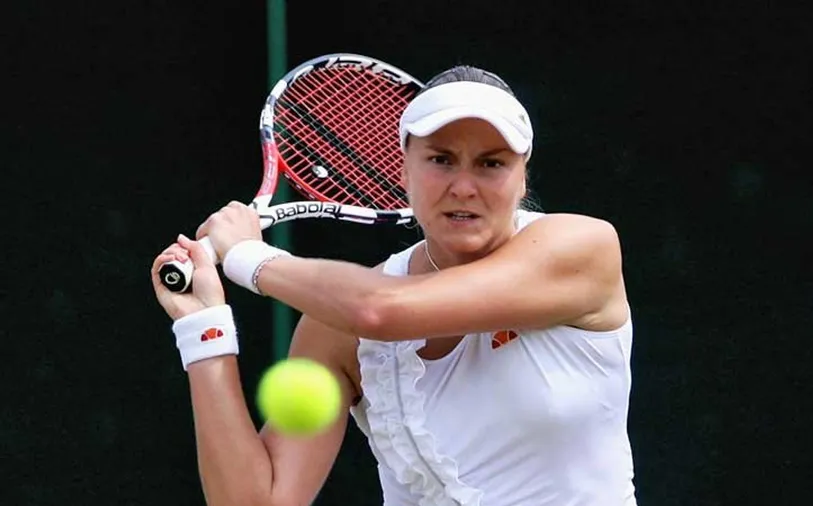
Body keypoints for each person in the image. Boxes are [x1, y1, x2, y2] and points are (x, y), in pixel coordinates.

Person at [151, 65, 638, 506]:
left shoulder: (582, 248)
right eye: (441, 160)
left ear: (522, 177)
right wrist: (204, 329)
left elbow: (378, 311)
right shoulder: (334, 326)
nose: (464, 186)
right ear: (403, 168)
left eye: (491, 163)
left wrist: (247, 256)